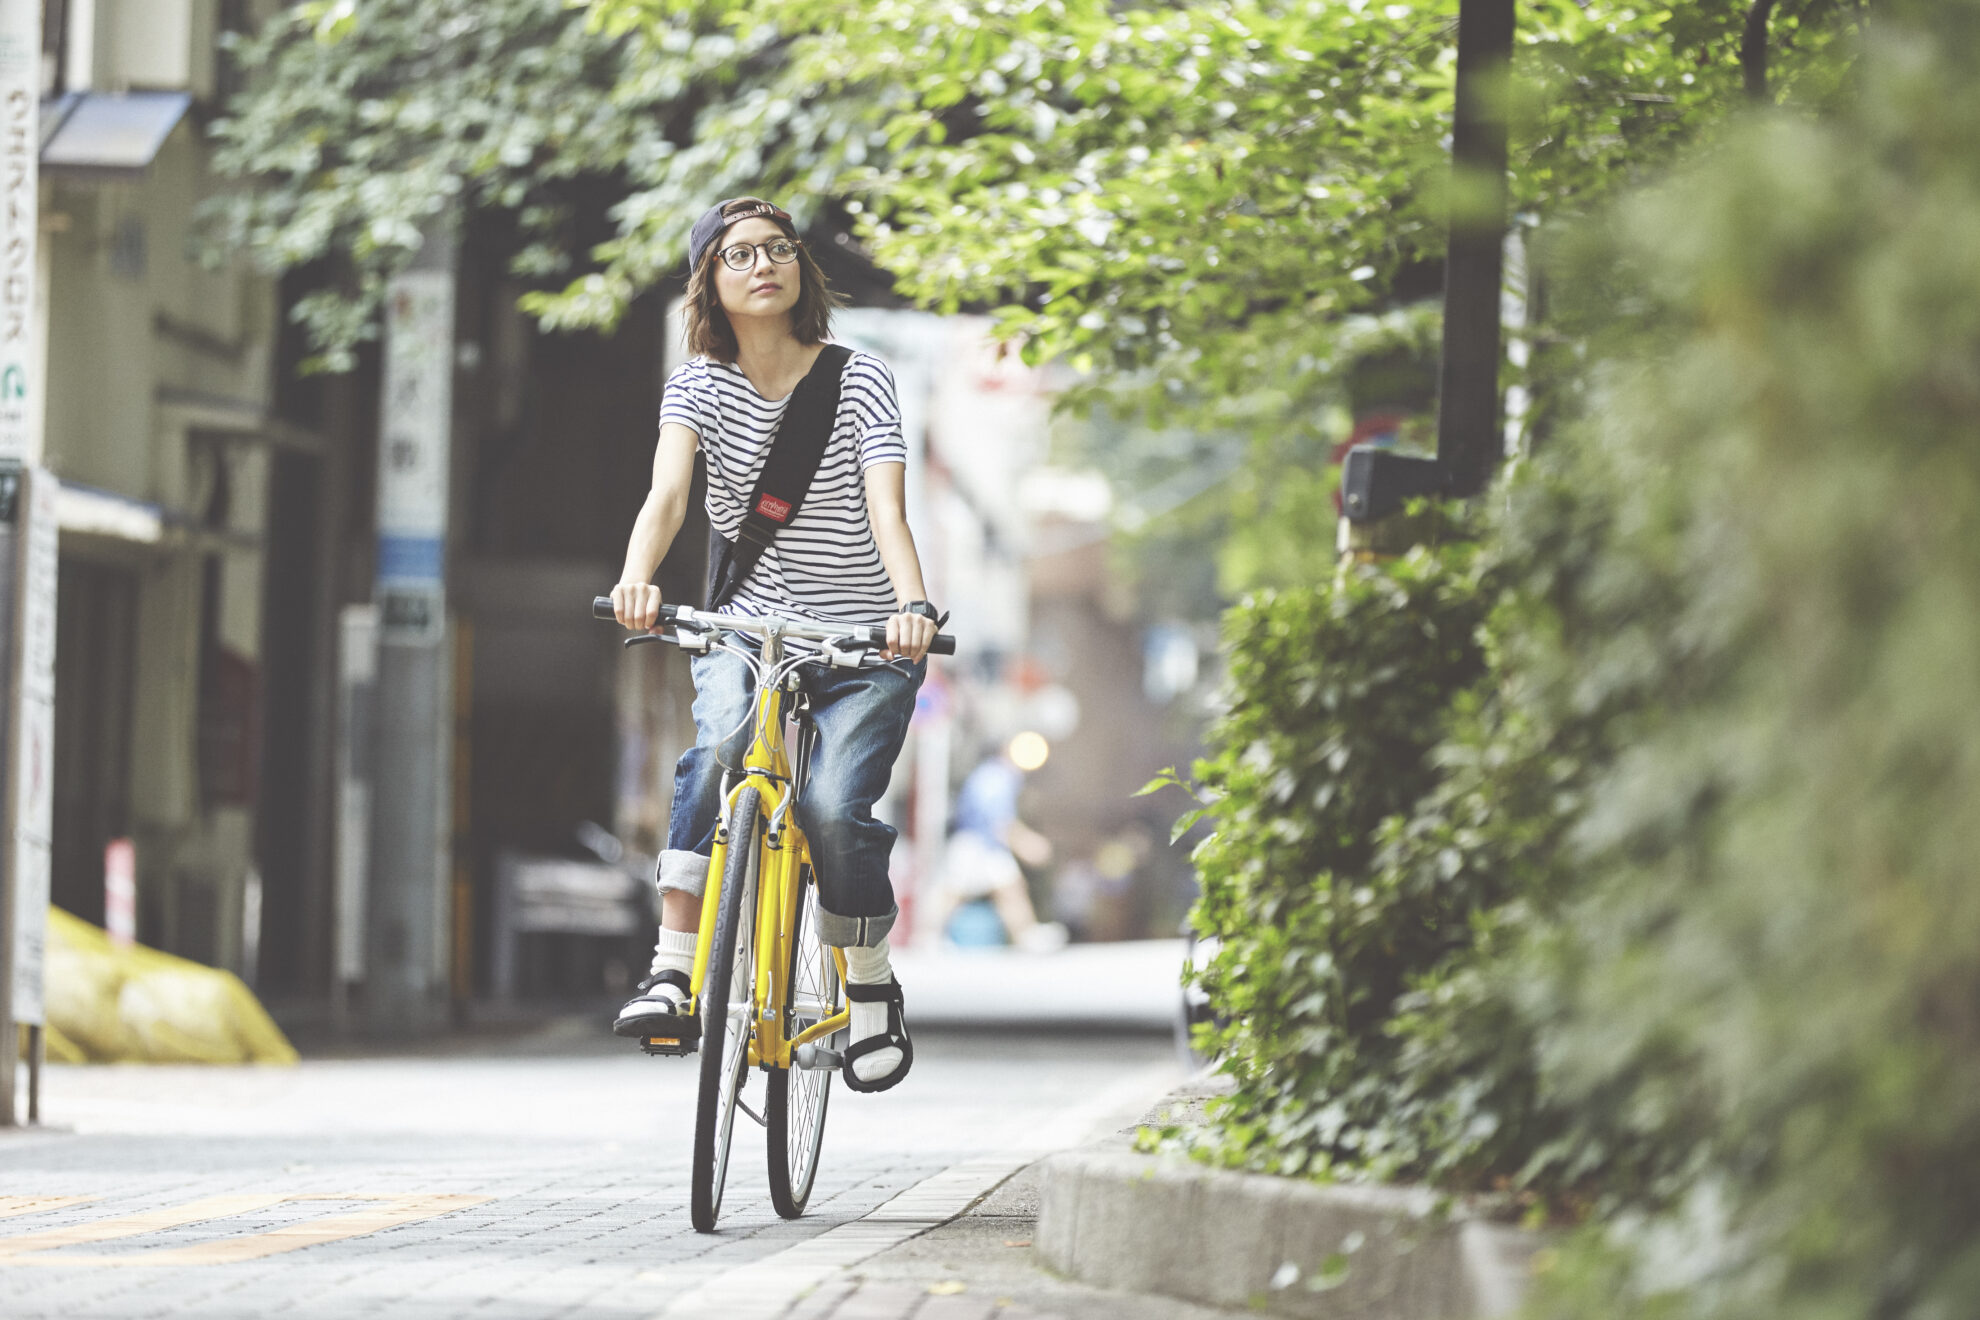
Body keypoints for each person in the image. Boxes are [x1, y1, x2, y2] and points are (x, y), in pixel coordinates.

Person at [608, 197, 942, 1093]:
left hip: (861, 638)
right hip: (747, 628)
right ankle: (674, 967)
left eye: (779, 250)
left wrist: (912, 604)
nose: (765, 266)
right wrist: (639, 576)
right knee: (717, 748)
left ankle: (868, 987)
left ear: (802, 269)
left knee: (835, 807)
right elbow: (667, 498)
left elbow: (886, 508)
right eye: (741, 255)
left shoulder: (862, 377)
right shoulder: (698, 385)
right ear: (709, 282)